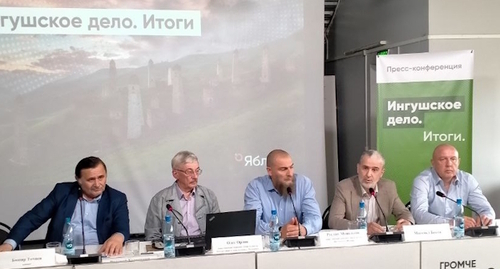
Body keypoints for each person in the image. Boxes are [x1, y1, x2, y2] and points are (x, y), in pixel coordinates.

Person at [0, 156, 130, 255]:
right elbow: (32, 218)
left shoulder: (116, 198)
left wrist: (118, 237)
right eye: (91, 179)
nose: (97, 184)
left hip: (101, 254)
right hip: (62, 256)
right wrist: (9, 244)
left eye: (101, 177)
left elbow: (122, 227)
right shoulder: (62, 192)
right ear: (78, 179)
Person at [328, 150, 413, 235]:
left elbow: (403, 212)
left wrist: (407, 222)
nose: (369, 174)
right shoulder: (344, 187)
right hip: (354, 241)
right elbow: (334, 220)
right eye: (365, 168)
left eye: (374, 170)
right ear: (358, 168)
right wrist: (362, 227)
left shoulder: (389, 187)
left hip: (380, 242)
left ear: (381, 173)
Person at [411, 144, 495, 228]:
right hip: (430, 234)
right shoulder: (422, 181)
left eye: (453, 159)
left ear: (458, 162)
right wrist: (452, 223)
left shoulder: (467, 180)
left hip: (459, 234)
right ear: (433, 163)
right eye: (443, 159)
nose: (449, 164)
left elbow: (486, 210)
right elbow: (419, 215)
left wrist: (486, 218)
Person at [244, 149, 322, 237]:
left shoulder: (303, 183)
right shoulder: (255, 187)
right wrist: (279, 231)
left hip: (298, 245)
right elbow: (253, 224)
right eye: (283, 169)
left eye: (291, 167)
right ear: (270, 171)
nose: (290, 173)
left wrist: (303, 229)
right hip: (269, 246)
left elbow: (315, 218)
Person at [144, 151, 220, 240]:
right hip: (173, 250)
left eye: (197, 171)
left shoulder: (209, 196)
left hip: (204, 248)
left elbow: (217, 229)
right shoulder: (159, 199)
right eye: (189, 172)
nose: (195, 176)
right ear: (175, 174)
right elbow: (152, 235)